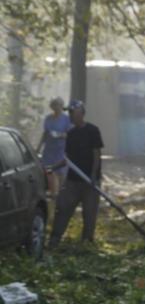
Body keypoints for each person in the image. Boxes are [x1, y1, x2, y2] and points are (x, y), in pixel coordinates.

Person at [48, 100, 105, 246]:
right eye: (70, 113)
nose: (70, 115)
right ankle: (54, 239)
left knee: (89, 213)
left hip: (90, 181)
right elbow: (67, 159)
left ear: (81, 113)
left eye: (73, 112)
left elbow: (96, 154)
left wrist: (93, 175)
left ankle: (86, 242)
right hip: (73, 180)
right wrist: (52, 167)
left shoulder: (93, 130)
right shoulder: (71, 134)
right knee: (63, 208)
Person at [36, 96, 72, 197]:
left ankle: (60, 194)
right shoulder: (48, 118)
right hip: (49, 149)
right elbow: (45, 133)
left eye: (58, 105)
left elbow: (71, 134)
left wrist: (61, 135)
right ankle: (53, 193)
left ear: (61, 106)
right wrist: (39, 147)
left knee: (60, 173)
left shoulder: (66, 119)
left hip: (61, 149)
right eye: (54, 105)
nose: (56, 107)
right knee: (49, 171)